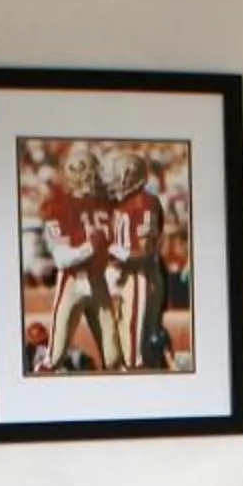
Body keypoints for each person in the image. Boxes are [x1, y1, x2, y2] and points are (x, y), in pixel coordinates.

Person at [34, 146, 120, 373]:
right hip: (72, 282)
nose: (96, 177)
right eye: (92, 171)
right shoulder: (58, 206)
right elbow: (61, 259)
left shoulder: (105, 204)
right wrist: (89, 248)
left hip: (98, 280)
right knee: (55, 356)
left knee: (113, 357)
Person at [100, 146, 167, 371]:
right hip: (118, 272)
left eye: (118, 174)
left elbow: (143, 252)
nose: (114, 180)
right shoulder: (119, 202)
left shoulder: (145, 203)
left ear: (131, 174)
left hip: (139, 274)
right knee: (115, 335)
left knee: (135, 339)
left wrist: (110, 250)